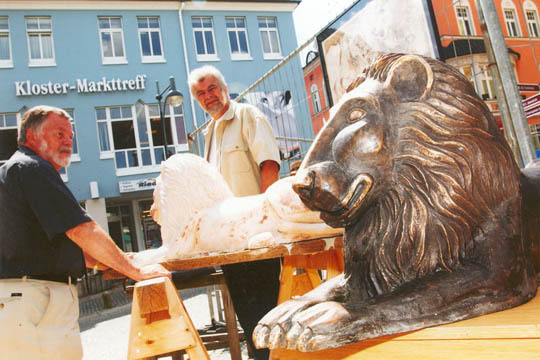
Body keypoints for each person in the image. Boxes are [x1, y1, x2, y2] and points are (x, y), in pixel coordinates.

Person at [0, 105, 170, 360]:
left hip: (21, 303)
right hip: (37, 302)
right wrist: (136, 271)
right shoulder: (33, 168)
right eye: (59, 134)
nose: (68, 142)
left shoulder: (12, 172)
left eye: (70, 136)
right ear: (31, 136)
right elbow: (82, 229)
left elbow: (59, 245)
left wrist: (118, 262)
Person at [188, 65, 281, 359]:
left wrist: (266, 222)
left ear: (224, 87)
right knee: (247, 316)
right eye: (200, 93)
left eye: (211, 88)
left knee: (269, 311)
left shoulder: (247, 116)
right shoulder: (210, 133)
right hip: (229, 243)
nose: (207, 96)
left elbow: (269, 165)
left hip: (256, 237)